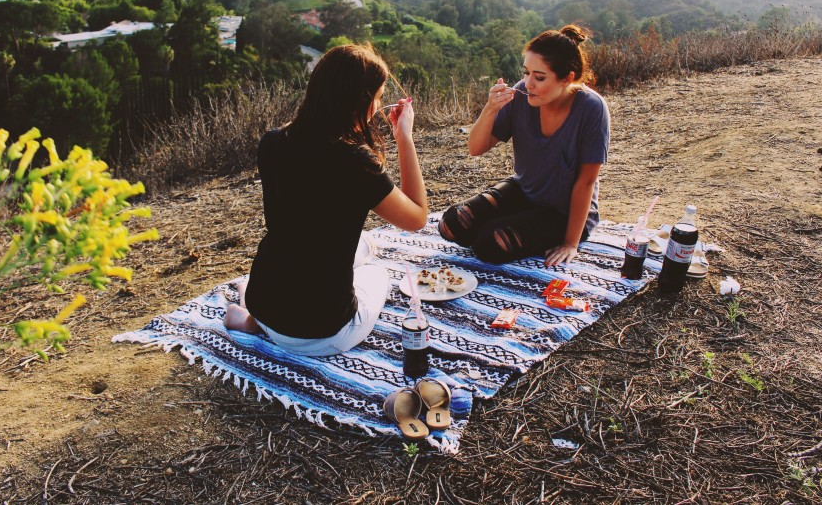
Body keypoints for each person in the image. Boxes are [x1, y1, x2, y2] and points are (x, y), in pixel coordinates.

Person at [224, 43, 428, 357]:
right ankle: (273, 330)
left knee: (363, 245)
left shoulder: (273, 142)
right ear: (358, 101)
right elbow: (417, 218)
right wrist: (404, 138)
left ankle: (257, 323)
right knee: (379, 274)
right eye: (377, 97)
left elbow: (309, 210)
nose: (378, 106)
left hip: (263, 300)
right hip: (319, 333)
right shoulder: (354, 163)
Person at [438, 24, 609, 267]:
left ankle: (511, 227)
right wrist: (490, 109)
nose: (528, 83)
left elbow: (587, 182)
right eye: (526, 72)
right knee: (453, 223)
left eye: (539, 77)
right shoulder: (522, 95)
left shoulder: (592, 108)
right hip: (524, 191)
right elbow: (476, 148)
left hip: (563, 211)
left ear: (567, 78)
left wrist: (571, 243)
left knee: (489, 245)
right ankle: (513, 223)